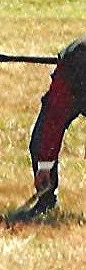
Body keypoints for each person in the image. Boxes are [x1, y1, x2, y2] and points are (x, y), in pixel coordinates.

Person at [23, 36, 86, 220]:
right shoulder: (73, 64)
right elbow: (54, 118)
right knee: (39, 140)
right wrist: (44, 164)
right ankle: (46, 200)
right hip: (73, 85)